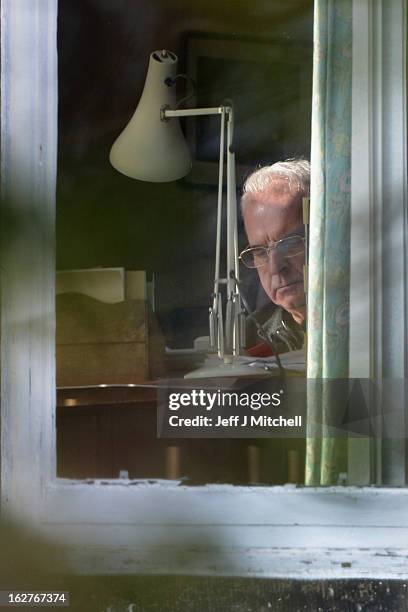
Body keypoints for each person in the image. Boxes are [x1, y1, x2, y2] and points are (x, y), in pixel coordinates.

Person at [240, 159, 310, 352]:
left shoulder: (371, 325)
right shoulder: (250, 334)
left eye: (290, 242)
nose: (274, 268)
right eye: (260, 252)